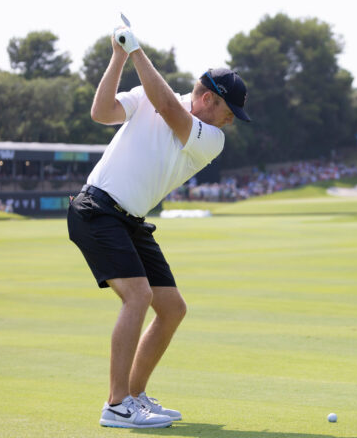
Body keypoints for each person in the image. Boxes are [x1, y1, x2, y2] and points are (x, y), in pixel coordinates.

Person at [67, 22, 250, 429]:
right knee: (138, 296)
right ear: (207, 98)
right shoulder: (147, 96)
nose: (231, 121)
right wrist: (119, 56)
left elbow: (168, 107)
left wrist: (136, 51)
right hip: (96, 208)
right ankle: (116, 406)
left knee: (171, 308)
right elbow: (101, 113)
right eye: (229, 111)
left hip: (129, 219)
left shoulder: (211, 139)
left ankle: (133, 396)